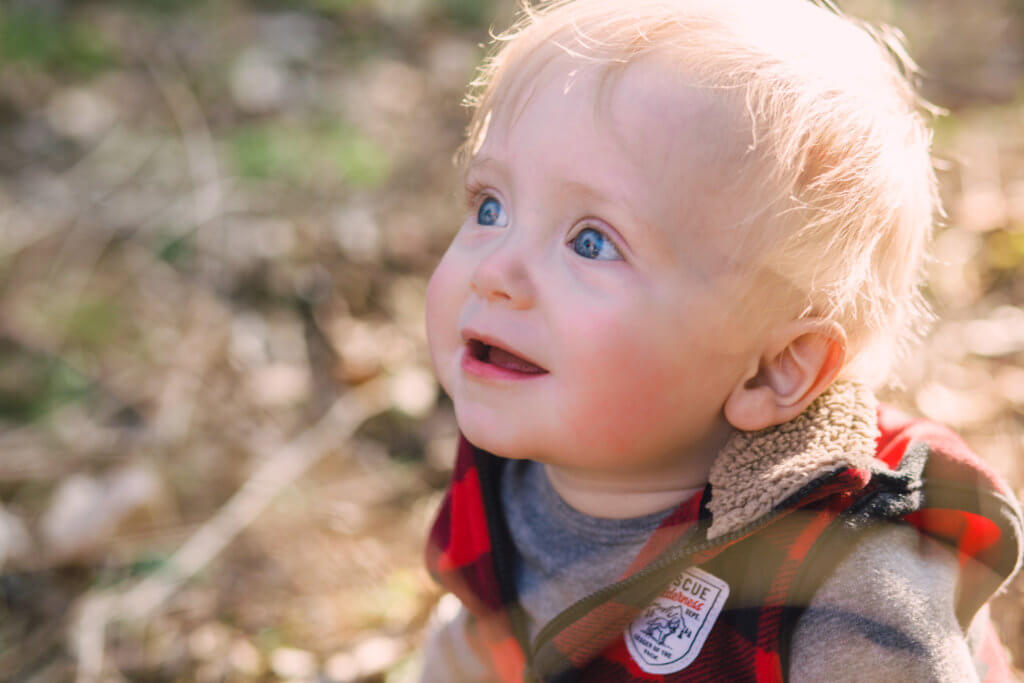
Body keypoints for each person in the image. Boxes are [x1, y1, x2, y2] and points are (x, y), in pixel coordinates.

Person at [418, 0, 1024, 680]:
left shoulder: (847, 591)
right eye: (490, 206)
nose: (495, 271)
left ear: (770, 371)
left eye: (593, 242)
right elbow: (484, 638)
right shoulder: (514, 467)